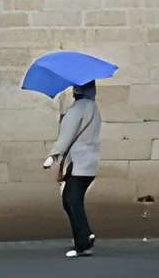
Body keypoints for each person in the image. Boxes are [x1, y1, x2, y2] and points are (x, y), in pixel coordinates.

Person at [44, 80, 101, 256]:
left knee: (71, 200)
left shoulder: (77, 109)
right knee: (71, 199)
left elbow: (67, 134)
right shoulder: (93, 108)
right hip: (90, 162)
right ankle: (84, 236)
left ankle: (83, 242)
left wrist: (53, 155)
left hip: (79, 162)